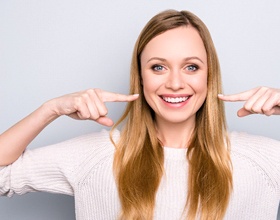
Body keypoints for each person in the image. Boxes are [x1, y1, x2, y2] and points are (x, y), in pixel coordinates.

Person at [0, 9, 279, 220]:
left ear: (209, 75)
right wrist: (51, 109)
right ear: (141, 77)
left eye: (191, 67)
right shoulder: (96, 155)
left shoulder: (262, 160)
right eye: (158, 67)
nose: (175, 83)